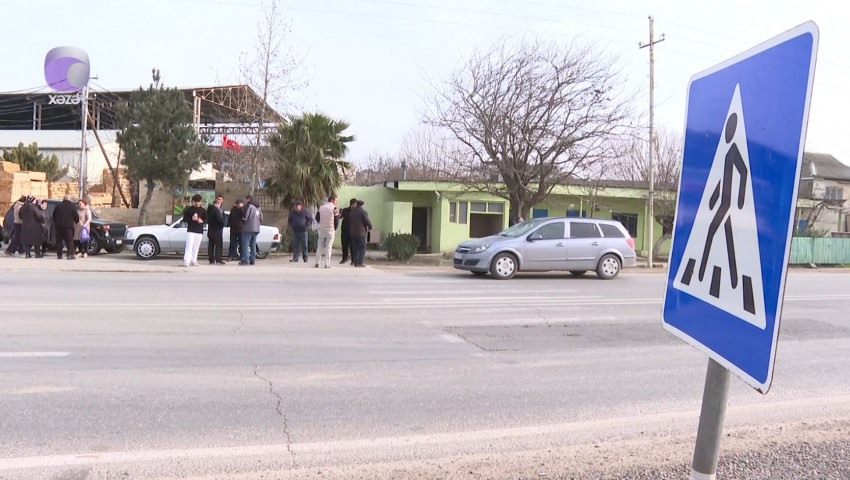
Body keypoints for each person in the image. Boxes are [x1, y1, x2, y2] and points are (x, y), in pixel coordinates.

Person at [52, 193, 79, 260]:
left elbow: (54, 216)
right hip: (68, 227)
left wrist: (56, 223)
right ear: (70, 199)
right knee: (69, 241)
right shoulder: (71, 207)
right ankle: (70, 254)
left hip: (59, 226)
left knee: (59, 241)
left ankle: (59, 255)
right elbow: (76, 217)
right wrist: (76, 221)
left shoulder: (58, 206)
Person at [314, 195, 339, 268]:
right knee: (328, 247)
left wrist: (321, 223)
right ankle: (327, 264)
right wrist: (334, 228)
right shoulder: (334, 208)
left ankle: (317, 263)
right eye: (336, 200)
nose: (336, 202)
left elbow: (317, 218)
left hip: (322, 229)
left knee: (319, 247)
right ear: (332, 200)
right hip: (330, 230)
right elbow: (336, 220)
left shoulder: (321, 207)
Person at [182, 194, 206, 267]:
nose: (197, 203)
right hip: (191, 230)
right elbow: (184, 219)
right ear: (193, 202)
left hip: (199, 230)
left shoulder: (203, 210)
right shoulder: (188, 210)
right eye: (195, 202)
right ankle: (187, 260)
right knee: (189, 245)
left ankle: (194, 260)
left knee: (196, 246)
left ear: (200, 202)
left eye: (198, 202)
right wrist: (191, 219)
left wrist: (202, 221)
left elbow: (207, 219)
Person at [347, 199, 372, 268]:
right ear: (362, 205)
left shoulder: (352, 212)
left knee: (355, 248)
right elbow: (367, 221)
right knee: (362, 247)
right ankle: (360, 262)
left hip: (353, 233)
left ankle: (355, 262)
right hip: (361, 233)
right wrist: (370, 227)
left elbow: (350, 222)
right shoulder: (363, 212)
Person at [240, 194, 263, 265]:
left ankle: (245, 260)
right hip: (256, 228)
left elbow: (245, 216)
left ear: (249, 199)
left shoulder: (249, 206)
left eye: (247, 199)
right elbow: (261, 218)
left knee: (245, 244)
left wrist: (243, 220)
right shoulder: (259, 208)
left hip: (248, 228)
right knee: (253, 244)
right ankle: (253, 259)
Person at [206, 194, 225, 265]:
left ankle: (211, 259)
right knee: (218, 245)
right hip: (217, 230)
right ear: (217, 204)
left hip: (210, 229)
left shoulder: (209, 210)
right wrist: (222, 225)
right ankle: (218, 259)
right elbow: (220, 219)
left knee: (211, 245)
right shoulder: (216, 210)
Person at [338, 198, 357, 264]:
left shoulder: (356, 211)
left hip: (353, 231)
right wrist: (339, 214)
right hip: (345, 230)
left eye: (356, 204)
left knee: (353, 246)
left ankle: (353, 260)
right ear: (351, 204)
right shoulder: (345, 210)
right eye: (354, 204)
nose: (355, 205)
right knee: (344, 245)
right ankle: (344, 259)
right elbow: (340, 217)